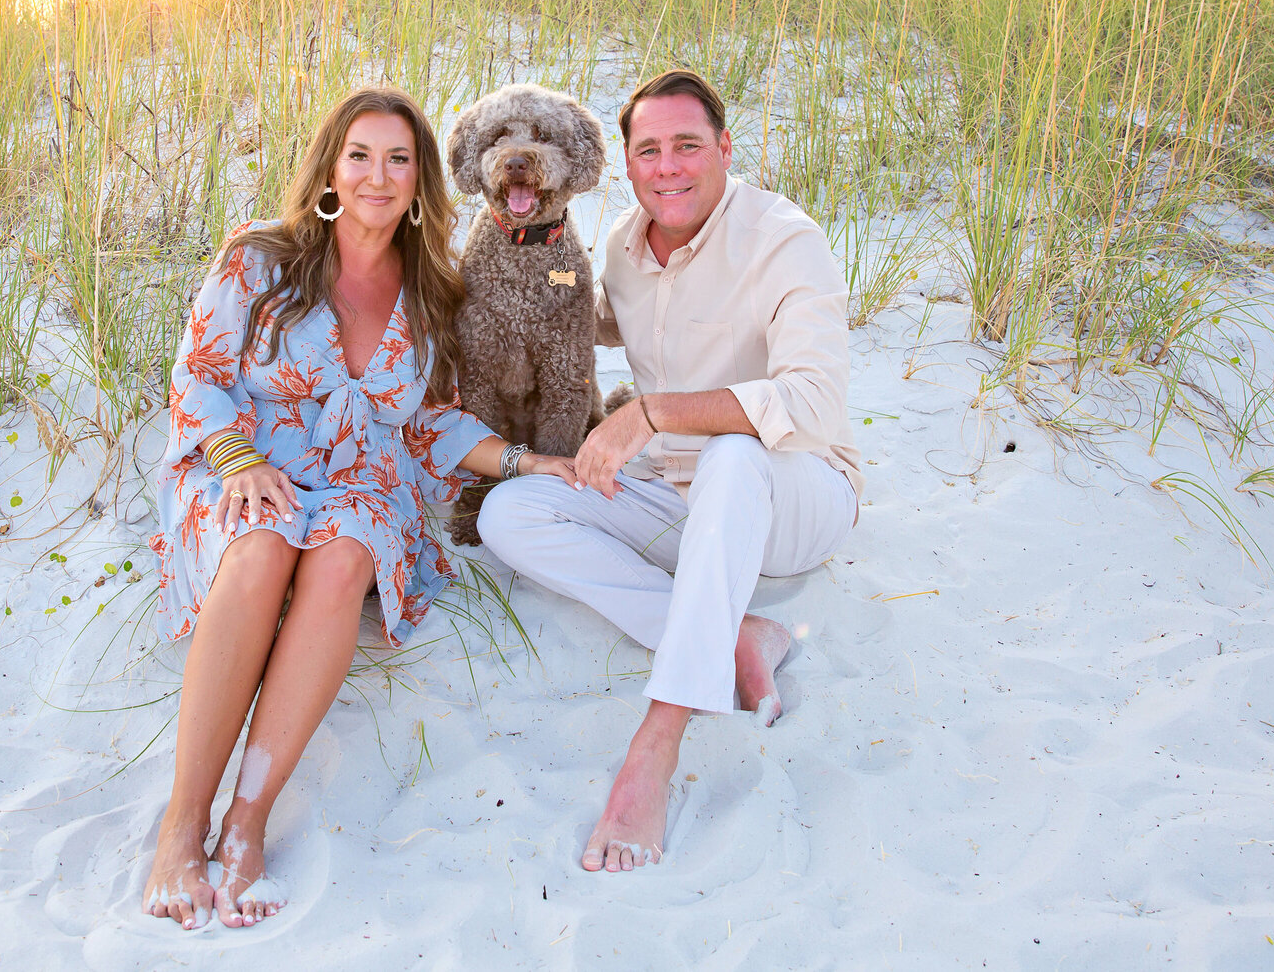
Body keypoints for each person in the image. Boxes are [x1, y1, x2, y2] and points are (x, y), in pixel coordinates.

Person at [142, 87, 578, 929]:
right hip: (245, 462)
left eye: (399, 159)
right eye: (361, 155)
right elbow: (198, 373)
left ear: (420, 181)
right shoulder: (259, 258)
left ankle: (248, 818)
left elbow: (428, 422)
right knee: (264, 546)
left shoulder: (433, 292)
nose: (379, 175)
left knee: (343, 556)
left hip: (356, 480)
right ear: (332, 169)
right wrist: (236, 459)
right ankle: (183, 819)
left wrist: (528, 460)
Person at [478, 70, 864, 873]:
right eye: (649, 150)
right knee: (508, 513)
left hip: (793, 494)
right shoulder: (620, 243)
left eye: (688, 145)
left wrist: (653, 412)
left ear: (724, 148)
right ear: (626, 164)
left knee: (730, 453)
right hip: (675, 495)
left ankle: (657, 740)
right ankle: (736, 634)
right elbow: (575, 316)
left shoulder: (786, 238)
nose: (669, 166)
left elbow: (815, 402)